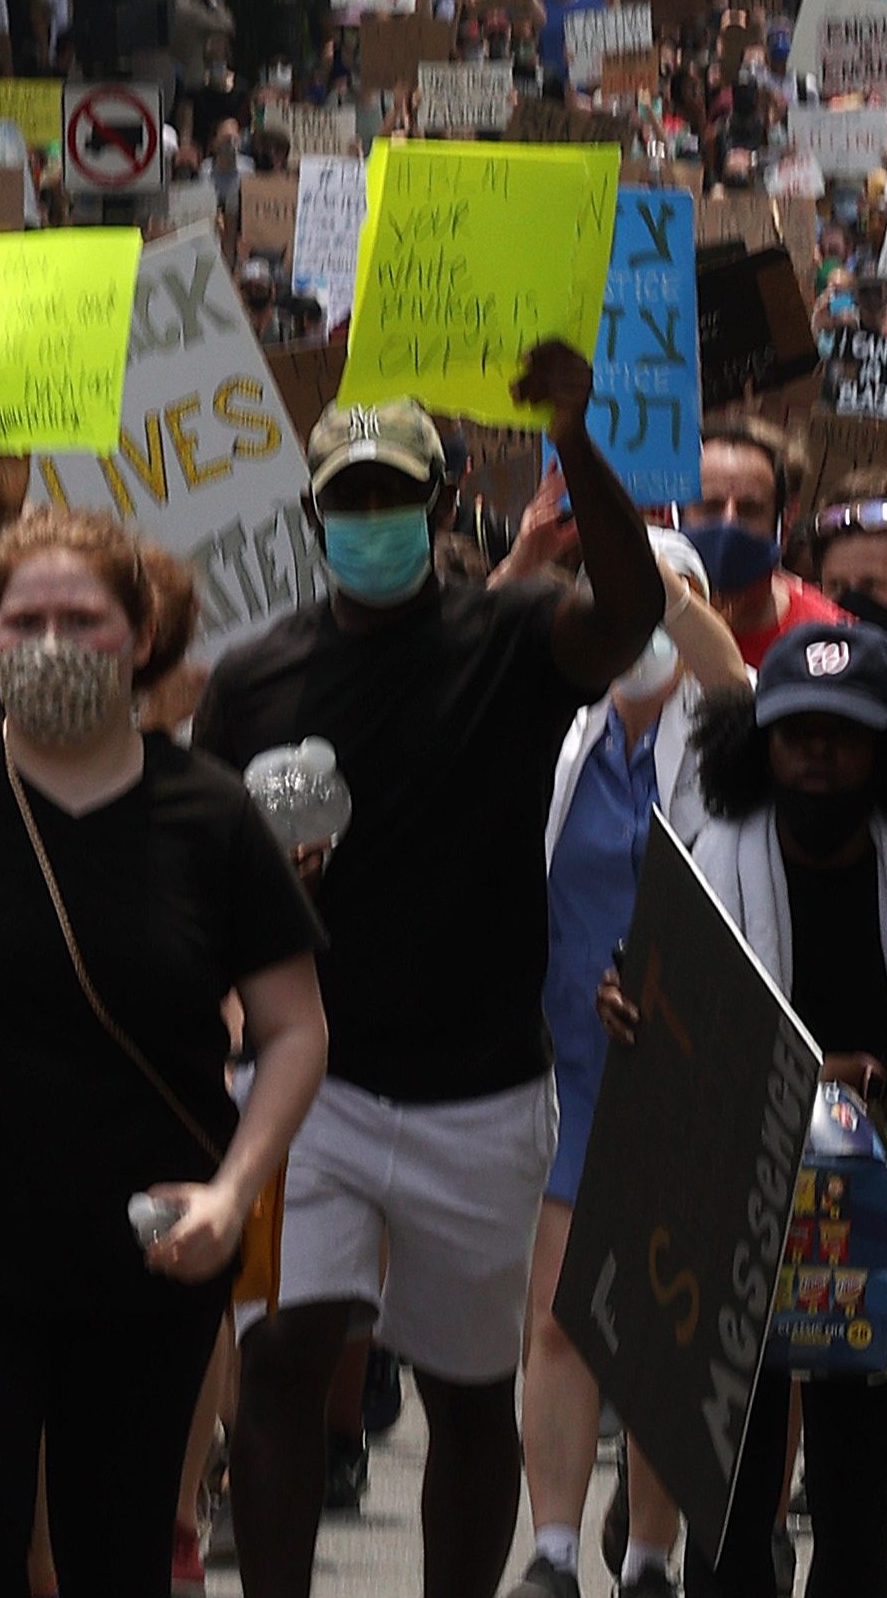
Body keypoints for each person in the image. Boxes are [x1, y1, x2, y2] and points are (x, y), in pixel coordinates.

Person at [0, 509, 329, 1598]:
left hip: (147, 1256)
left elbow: (293, 1030)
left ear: (142, 636)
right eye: (21, 619)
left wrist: (234, 1195)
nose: (47, 641)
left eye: (80, 619)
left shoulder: (213, 817)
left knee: (114, 1552)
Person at [197, 366, 666, 1598]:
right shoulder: (251, 683)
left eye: (391, 495)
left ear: (446, 501)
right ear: (312, 519)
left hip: (483, 1092)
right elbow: (209, 876)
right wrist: (271, 890)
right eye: (346, 499)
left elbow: (629, 606)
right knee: (287, 1357)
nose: (368, 518)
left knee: (468, 1393)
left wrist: (573, 435)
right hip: (314, 1090)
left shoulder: (513, 638)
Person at [639, 619, 887, 1597]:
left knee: (850, 1492)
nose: (818, 752)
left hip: (882, 1208)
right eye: (796, 732)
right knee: (732, 1500)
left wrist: (861, 1080)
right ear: (761, 742)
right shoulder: (711, 857)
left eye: (843, 731)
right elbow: (672, 1042)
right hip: (731, 1195)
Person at [519, 533, 748, 1598]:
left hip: (682, 1063)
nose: (632, 616)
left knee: (662, 1337)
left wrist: (652, 579)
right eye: (609, 594)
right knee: (561, 1318)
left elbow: (733, 675)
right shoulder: (564, 731)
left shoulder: (722, 734)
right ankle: (556, 1552)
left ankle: (649, 1560)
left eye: (654, 596)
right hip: (570, 1065)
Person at [690, 417, 845, 666]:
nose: (729, 524)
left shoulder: (826, 641)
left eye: (750, 509)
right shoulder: (640, 631)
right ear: (677, 516)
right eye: (711, 507)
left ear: (784, 523)